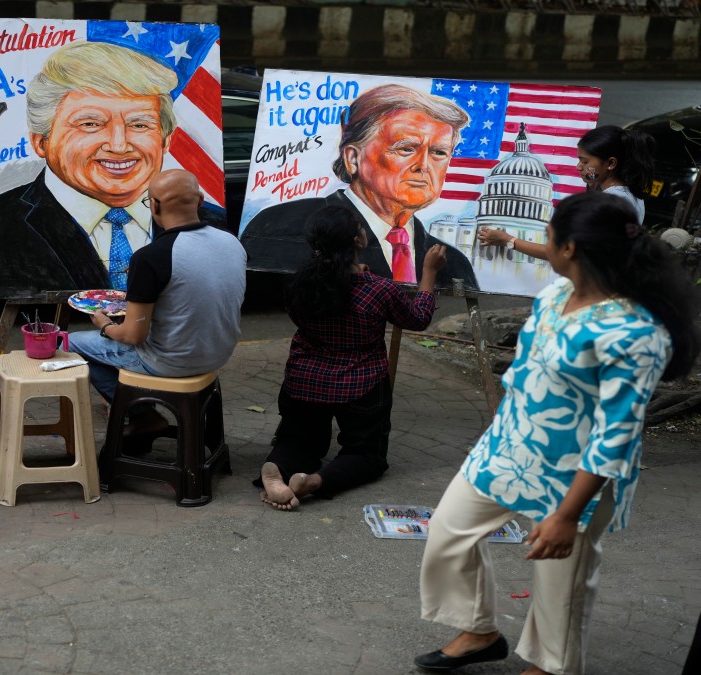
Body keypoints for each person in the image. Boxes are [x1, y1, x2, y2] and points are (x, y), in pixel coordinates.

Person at [415, 191, 700, 675]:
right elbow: (526, 372)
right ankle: (479, 630)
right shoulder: (554, 296)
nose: (542, 243)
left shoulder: (635, 331)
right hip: (506, 449)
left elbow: (617, 434)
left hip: (575, 475)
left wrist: (567, 516)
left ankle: (549, 666)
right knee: (448, 531)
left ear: (569, 249)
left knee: (559, 583)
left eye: (548, 236)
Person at [0, 41, 226, 298]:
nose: (119, 145)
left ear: (165, 141)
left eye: (140, 125)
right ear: (41, 142)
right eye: (90, 124)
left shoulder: (213, 228)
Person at [258, 206, 446, 510]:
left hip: (304, 381)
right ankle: (315, 482)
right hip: (362, 384)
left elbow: (312, 308)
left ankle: (277, 468)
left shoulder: (298, 283)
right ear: (358, 240)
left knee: (298, 443)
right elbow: (418, 318)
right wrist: (429, 273)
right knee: (366, 454)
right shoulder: (378, 290)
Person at [240, 83, 478, 290]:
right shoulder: (283, 225)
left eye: (439, 152)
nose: (423, 166)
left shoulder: (453, 262)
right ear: (353, 158)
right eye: (406, 148)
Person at [68, 169, 246, 430]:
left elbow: (133, 336)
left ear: (154, 204)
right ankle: (144, 416)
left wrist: (104, 324)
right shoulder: (231, 242)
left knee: (71, 343)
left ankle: (142, 416)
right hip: (217, 354)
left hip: (169, 361)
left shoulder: (152, 257)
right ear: (199, 201)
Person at [478, 124, 658, 257]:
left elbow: (564, 252)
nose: (579, 167)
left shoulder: (609, 204)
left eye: (585, 161)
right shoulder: (629, 195)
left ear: (610, 163)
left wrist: (508, 240)